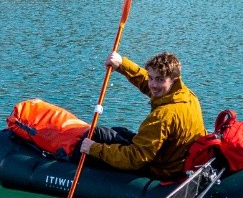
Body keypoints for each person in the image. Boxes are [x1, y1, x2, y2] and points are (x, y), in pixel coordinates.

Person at [78, 50, 205, 182]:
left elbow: (135, 158)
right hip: (174, 158)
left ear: (174, 80)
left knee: (97, 137)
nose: (153, 84)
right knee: (115, 131)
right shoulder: (187, 96)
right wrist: (122, 64)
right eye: (151, 77)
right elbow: (146, 82)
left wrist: (94, 148)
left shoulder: (162, 116)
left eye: (160, 79)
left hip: (162, 170)